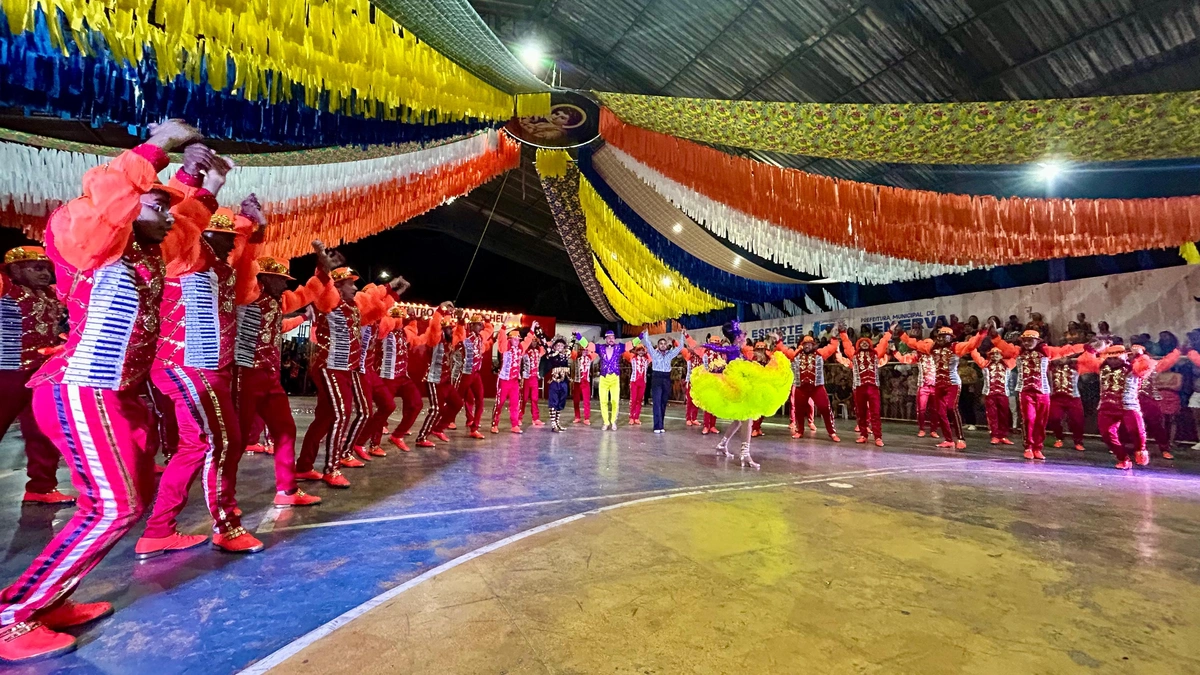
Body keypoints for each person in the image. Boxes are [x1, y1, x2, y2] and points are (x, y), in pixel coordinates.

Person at [0, 120, 196, 662]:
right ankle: (12, 617)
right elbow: (108, 198)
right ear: (128, 206)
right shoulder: (88, 239)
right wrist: (156, 147)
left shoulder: (146, 256)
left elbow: (188, 232)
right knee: (113, 506)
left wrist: (198, 182)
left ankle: (46, 599)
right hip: (84, 390)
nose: (169, 216)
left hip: (117, 396)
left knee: (117, 504)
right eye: (156, 205)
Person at [139, 147, 268, 557]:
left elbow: (246, 282)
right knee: (224, 442)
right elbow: (186, 218)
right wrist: (203, 181)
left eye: (232, 239)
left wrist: (249, 226)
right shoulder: (184, 253)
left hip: (207, 367)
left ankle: (158, 529)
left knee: (198, 445)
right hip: (186, 365)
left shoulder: (220, 266)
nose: (230, 244)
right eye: (222, 237)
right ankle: (226, 526)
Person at [231, 248, 325, 508]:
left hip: (269, 376)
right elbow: (241, 272)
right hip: (245, 373)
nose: (285, 285)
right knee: (236, 439)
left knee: (285, 429)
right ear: (264, 277)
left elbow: (296, 306)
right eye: (281, 279)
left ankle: (287, 489)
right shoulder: (245, 295)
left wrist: (323, 272)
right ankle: (222, 499)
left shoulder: (276, 302)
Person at [0, 246, 69, 504]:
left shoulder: (52, 293)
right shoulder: (6, 287)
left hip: (42, 373)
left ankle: (42, 487)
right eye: (37, 268)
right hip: (8, 372)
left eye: (47, 269)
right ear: (15, 270)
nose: (45, 274)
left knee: (43, 429)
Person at [295, 262, 369, 487]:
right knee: (341, 415)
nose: (355, 288)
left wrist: (392, 291)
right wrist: (321, 261)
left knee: (325, 418)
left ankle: (304, 467)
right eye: (349, 284)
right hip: (330, 367)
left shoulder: (352, 307)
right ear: (337, 286)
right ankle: (332, 468)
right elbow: (323, 284)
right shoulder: (328, 302)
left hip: (344, 369)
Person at [689, 321, 793, 469]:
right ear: (737, 338)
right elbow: (719, 349)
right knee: (747, 419)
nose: (745, 337)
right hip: (737, 388)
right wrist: (704, 345)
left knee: (739, 421)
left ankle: (722, 445)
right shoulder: (733, 348)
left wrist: (772, 340)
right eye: (742, 335)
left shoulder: (741, 350)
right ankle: (745, 453)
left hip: (741, 387)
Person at [991, 329, 1084, 460]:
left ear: (1037, 341)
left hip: (1042, 392)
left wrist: (1087, 347)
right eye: (1025, 341)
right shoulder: (1018, 352)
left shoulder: (1046, 351)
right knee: (1029, 419)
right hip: (1026, 391)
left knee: (1041, 422)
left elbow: (1066, 350)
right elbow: (1004, 347)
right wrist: (994, 336)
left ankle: (1037, 447)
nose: (1027, 343)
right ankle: (1028, 447)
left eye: (1030, 340)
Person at [896, 324, 986, 449]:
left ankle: (960, 438)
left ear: (950, 338)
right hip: (938, 384)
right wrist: (901, 333)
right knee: (941, 412)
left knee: (951, 408)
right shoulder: (932, 347)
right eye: (939, 336)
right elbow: (914, 344)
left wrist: (982, 332)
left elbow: (972, 345)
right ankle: (948, 439)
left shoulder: (955, 347)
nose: (941, 338)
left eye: (944, 336)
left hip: (952, 383)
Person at [350, 277, 411, 458]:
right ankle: (349, 447)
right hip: (358, 370)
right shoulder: (360, 315)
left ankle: (358, 443)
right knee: (363, 413)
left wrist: (397, 292)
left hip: (370, 371)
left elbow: (386, 308)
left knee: (388, 405)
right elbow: (376, 302)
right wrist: (389, 286)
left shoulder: (377, 321)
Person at [1076, 342, 1158, 470]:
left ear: (1124, 356)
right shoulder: (1102, 366)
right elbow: (1085, 361)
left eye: (1116, 358)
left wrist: (1140, 355)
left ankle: (1141, 450)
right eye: (1110, 358)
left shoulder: (1133, 367)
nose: (1113, 361)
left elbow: (1146, 366)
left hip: (1128, 405)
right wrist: (1093, 350)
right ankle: (1123, 458)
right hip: (1106, 406)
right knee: (1106, 435)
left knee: (1137, 432)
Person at [413, 305, 464, 447]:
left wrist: (460, 320)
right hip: (434, 379)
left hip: (446, 381)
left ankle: (438, 429)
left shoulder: (451, 340)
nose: (451, 331)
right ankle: (422, 437)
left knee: (457, 404)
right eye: (448, 328)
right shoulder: (435, 339)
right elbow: (434, 326)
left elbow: (460, 334)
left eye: (451, 328)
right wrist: (441, 310)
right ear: (442, 329)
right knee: (436, 409)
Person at [773, 335, 840, 442]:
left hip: (817, 387)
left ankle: (832, 432)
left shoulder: (820, 353)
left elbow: (832, 347)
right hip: (801, 388)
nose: (807, 346)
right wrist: (778, 340)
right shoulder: (796, 355)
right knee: (799, 410)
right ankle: (800, 431)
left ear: (813, 345)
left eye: (809, 344)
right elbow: (784, 350)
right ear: (802, 345)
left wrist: (835, 336)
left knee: (825, 408)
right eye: (805, 344)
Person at [379, 305, 424, 452]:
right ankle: (373, 443)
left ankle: (397, 435)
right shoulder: (384, 332)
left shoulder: (404, 333)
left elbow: (414, 333)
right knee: (384, 409)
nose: (398, 320)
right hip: (388, 375)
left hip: (403, 376)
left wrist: (413, 319)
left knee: (417, 404)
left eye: (400, 317)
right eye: (395, 317)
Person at [839, 326, 892, 446]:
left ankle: (878, 437)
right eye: (861, 342)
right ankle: (863, 435)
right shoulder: (854, 355)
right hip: (859, 387)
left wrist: (889, 332)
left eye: (866, 342)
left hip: (873, 387)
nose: (864, 344)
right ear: (858, 345)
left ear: (870, 344)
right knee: (861, 413)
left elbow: (883, 343)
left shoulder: (876, 354)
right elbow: (847, 345)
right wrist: (842, 333)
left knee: (875, 413)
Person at [1130, 343, 1182, 460]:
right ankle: (1136, 449)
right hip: (1132, 398)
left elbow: (1166, 364)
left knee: (1157, 426)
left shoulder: (1153, 365)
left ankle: (1164, 449)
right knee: (1133, 425)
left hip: (1150, 399)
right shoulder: (1129, 366)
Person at [490, 323, 537, 434]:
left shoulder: (520, 348)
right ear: (510, 339)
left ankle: (514, 425)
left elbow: (527, 341)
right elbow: (501, 339)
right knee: (499, 403)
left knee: (515, 403)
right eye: (514, 339)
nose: (516, 341)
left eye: (517, 339)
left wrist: (532, 329)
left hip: (514, 381)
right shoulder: (505, 347)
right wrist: (503, 327)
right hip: (504, 380)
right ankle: (495, 424)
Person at [455, 313, 495, 439]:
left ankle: (474, 428)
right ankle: (445, 422)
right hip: (466, 373)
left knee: (480, 400)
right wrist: (460, 321)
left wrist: (487, 320)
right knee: (457, 400)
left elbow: (489, 330)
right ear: (471, 325)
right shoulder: (466, 336)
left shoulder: (481, 337)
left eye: (480, 325)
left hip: (476, 374)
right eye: (477, 325)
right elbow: (459, 334)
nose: (480, 327)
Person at [970, 348, 1015, 446]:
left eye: (997, 354)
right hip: (990, 394)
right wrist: (972, 347)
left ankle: (1003, 436)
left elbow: (1016, 354)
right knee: (992, 415)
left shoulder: (1007, 364)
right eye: (992, 354)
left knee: (1004, 415)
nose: (995, 356)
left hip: (1003, 394)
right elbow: (976, 356)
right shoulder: (985, 364)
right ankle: (995, 435)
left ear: (1001, 356)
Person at [682, 334, 726, 434]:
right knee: (707, 405)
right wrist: (686, 335)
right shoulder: (705, 352)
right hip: (707, 381)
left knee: (715, 405)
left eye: (717, 344)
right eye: (713, 344)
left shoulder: (722, 353)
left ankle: (713, 426)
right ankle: (706, 426)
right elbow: (693, 345)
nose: (715, 346)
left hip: (718, 382)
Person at [586, 330, 628, 431]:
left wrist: (641, 336)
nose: (611, 339)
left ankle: (613, 421)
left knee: (615, 401)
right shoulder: (600, 348)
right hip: (604, 378)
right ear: (605, 339)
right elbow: (587, 345)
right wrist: (578, 336)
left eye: (612, 337)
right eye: (608, 337)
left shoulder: (619, 347)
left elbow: (632, 344)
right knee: (603, 401)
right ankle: (606, 422)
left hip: (614, 378)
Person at [642, 330, 683, 433]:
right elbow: (648, 343)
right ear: (658, 345)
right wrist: (646, 334)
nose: (663, 345)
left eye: (664, 343)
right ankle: (657, 426)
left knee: (663, 402)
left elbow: (680, 347)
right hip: (657, 378)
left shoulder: (670, 354)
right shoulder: (654, 353)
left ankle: (661, 425)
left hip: (666, 378)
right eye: (661, 343)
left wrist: (682, 334)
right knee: (657, 402)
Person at [892, 348, 938, 438]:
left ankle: (933, 430)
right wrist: (895, 351)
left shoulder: (937, 355)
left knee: (935, 410)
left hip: (935, 386)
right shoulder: (919, 356)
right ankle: (922, 429)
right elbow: (904, 359)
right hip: (923, 386)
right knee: (921, 410)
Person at [1047, 356, 1086, 451]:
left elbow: (1087, 361)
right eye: (1060, 356)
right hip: (1056, 397)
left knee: (1077, 421)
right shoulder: (1050, 366)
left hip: (1073, 397)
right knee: (1054, 418)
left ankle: (1078, 441)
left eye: (1064, 357)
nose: (1062, 359)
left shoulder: (1076, 366)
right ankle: (1059, 437)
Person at [543, 336, 572, 431]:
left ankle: (557, 422)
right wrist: (537, 331)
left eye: (561, 345)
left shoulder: (566, 354)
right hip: (554, 382)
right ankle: (553, 424)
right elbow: (544, 343)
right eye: (558, 345)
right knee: (553, 402)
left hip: (564, 382)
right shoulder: (552, 354)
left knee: (561, 402)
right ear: (554, 347)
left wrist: (574, 335)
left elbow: (571, 345)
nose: (560, 347)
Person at [519, 336, 546, 427]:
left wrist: (540, 337)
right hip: (526, 377)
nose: (534, 343)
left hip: (534, 377)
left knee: (535, 399)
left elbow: (545, 347)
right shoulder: (525, 351)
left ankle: (535, 418)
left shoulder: (539, 351)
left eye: (535, 341)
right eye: (532, 341)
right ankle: (519, 417)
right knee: (524, 399)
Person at [624, 340, 650, 425]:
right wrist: (633, 343)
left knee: (640, 400)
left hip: (643, 382)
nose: (641, 352)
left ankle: (637, 417)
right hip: (634, 382)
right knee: (633, 400)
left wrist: (647, 349)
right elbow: (624, 350)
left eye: (642, 350)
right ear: (636, 351)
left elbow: (654, 353)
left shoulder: (647, 359)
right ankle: (631, 417)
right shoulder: (632, 357)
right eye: (639, 350)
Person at [570, 335, 595, 424]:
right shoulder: (576, 356)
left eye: (585, 349)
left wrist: (587, 344)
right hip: (577, 381)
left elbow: (594, 349)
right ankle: (577, 416)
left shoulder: (590, 357)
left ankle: (586, 418)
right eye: (582, 349)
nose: (584, 351)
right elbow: (569, 350)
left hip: (586, 382)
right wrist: (573, 338)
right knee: (576, 400)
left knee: (586, 400)